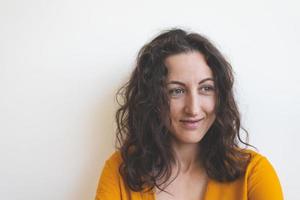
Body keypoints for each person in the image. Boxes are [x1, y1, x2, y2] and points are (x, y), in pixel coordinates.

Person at [95, 28, 283, 200]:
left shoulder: (253, 173)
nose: (193, 109)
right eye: (176, 91)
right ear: (152, 99)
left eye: (206, 88)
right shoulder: (121, 170)